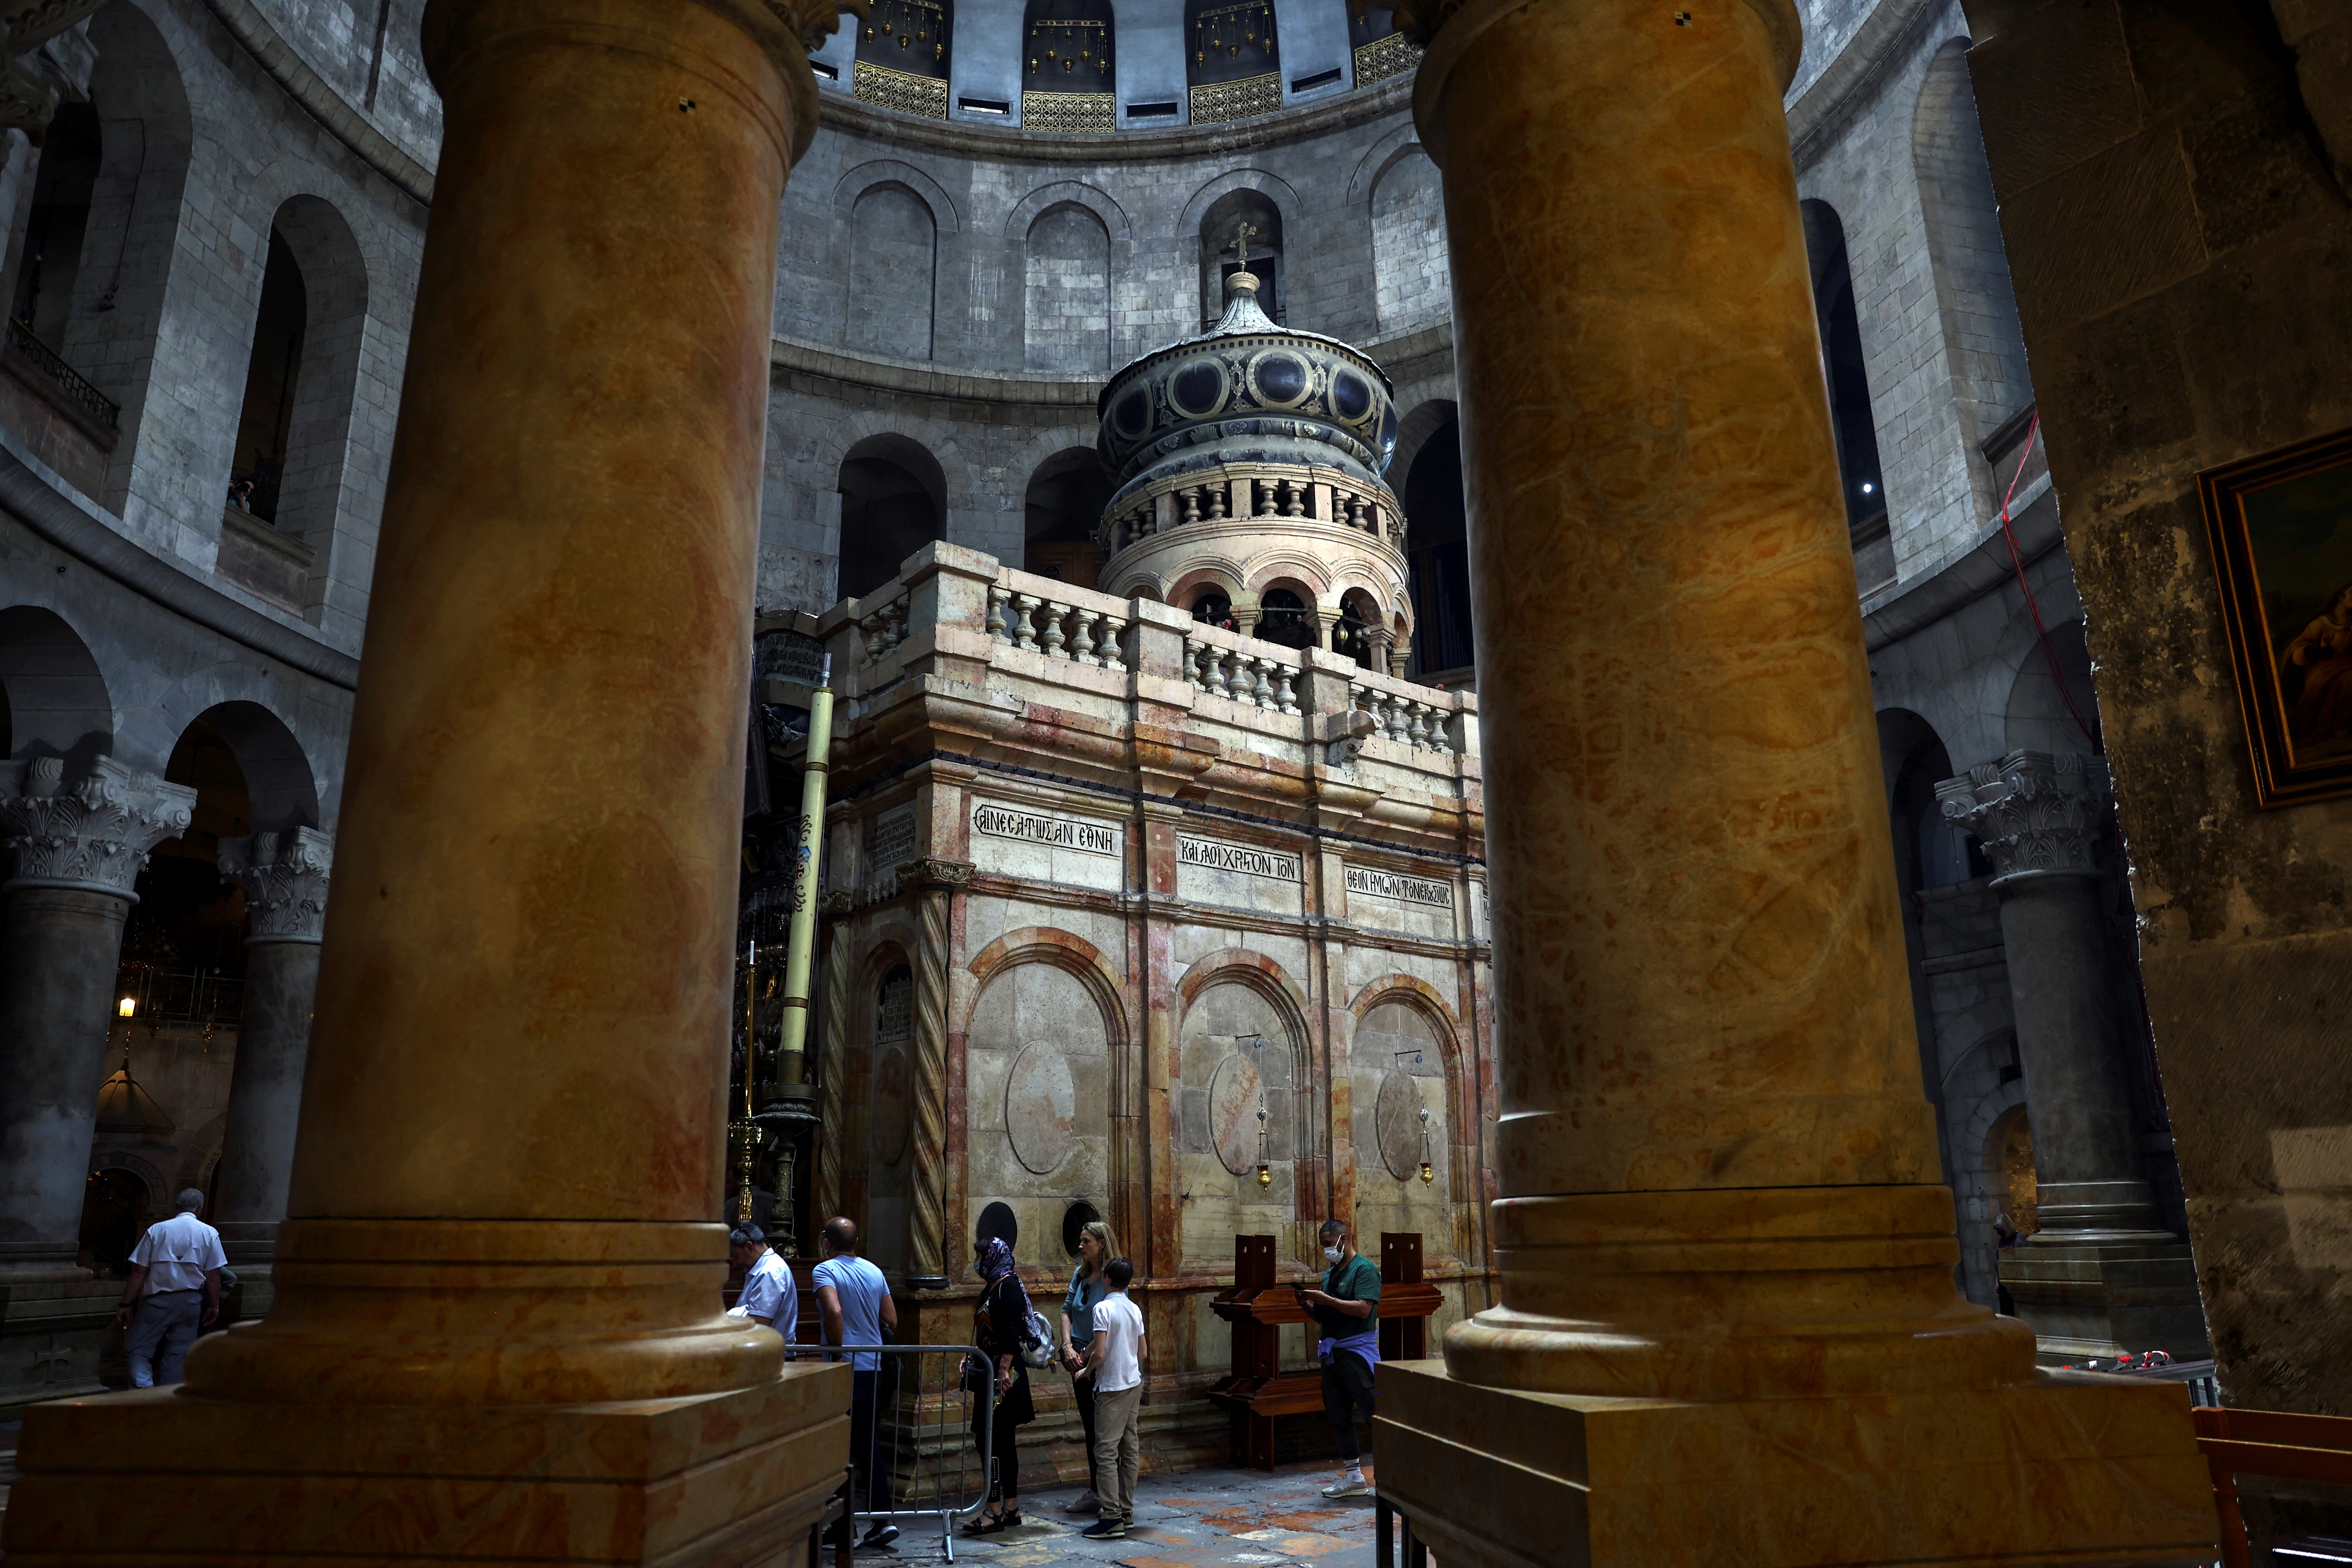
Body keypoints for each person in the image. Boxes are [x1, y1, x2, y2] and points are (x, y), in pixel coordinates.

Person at [815, 1216, 900, 1550]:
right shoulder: (874, 1271)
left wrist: (838, 1352)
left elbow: (833, 1312)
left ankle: (852, 1522)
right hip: (875, 1368)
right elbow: (891, 1319)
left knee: (841, 1447)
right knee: (865, 1445)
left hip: (846, 1369)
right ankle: (872, 1521)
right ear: (857, 1242)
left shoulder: (825, 1271)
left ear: (827, 1243)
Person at [1297, 1217, 1380, 1499]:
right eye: (1323, 1247)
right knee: (1338, 1415)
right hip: (1333, 1354)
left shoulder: (1364, 1270)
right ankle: (1354, 1477)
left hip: (1356, 1352)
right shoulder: (1329, 1275)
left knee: (1373, 1412)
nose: (1327, 1251)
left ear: (1346, 1239)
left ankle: (1391, 1477)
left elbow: (1362, 1310)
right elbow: (1325, 1316)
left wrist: (1327, 1300)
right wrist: (1308, 1305)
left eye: (1329, 1245)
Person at [115, 1188, 226, 1388]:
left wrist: (126, 1303)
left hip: (158, 1302)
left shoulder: (157, 1230)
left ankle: (143, 1394)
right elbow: (213, 1275)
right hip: (191, 1303)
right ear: (200, 1208)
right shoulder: (210, 1233)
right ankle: (166, 1400)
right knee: (179, 1355)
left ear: (177, 1207)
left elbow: (139, 1272)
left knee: (137, 1350)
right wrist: (215, 1306)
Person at [965, 1235, 1039, 1535]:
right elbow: (986, 1330)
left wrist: (1004, 1370)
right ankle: (1010, 1508)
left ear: (994, 1257)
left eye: (981, 1256)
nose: (978, 1262)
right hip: (992, 1368)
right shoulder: (993, 1285)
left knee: (992, 1440)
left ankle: (994, 1511)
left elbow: (1013, 1331)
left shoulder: (1008, 1286)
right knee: (1001, 1441)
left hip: (1004, 1376)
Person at [1079, 1256, 1146, 1542]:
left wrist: (1087, 1370)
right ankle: (1126, 1511)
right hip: (1134, 1382)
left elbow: (1102, 1352)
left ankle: (1111, 1517)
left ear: (1106, 1278)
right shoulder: (1134, 1308)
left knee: (1106, 1452)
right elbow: (1142, 1352)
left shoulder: (1102, 1308)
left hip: (1112, 1386)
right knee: (1129, 1448)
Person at [1056, 1219, 1118, 1515]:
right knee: (1089, 1426)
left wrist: (1085, 1354)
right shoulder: (1080, 1276)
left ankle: (1108, 1494)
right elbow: (1067, 1310)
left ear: (1102, 1244)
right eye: (1080, 1241)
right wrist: (1068, 1347)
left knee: (1103, 1430)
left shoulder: (1112, 1281)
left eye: (1086, 1242)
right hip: (1077, 1359)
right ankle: (1096, 1490)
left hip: (1098, 1362)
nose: (1080, 1247)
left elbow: (1111, 1323)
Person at [728, 1223, 797, 1347]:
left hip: (771, 1356)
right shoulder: (767, 1268)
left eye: (736, 1256)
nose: (735, 1263)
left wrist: (731, 1315)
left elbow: (758, 1323)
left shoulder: (769, 1272)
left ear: (750, 1247)